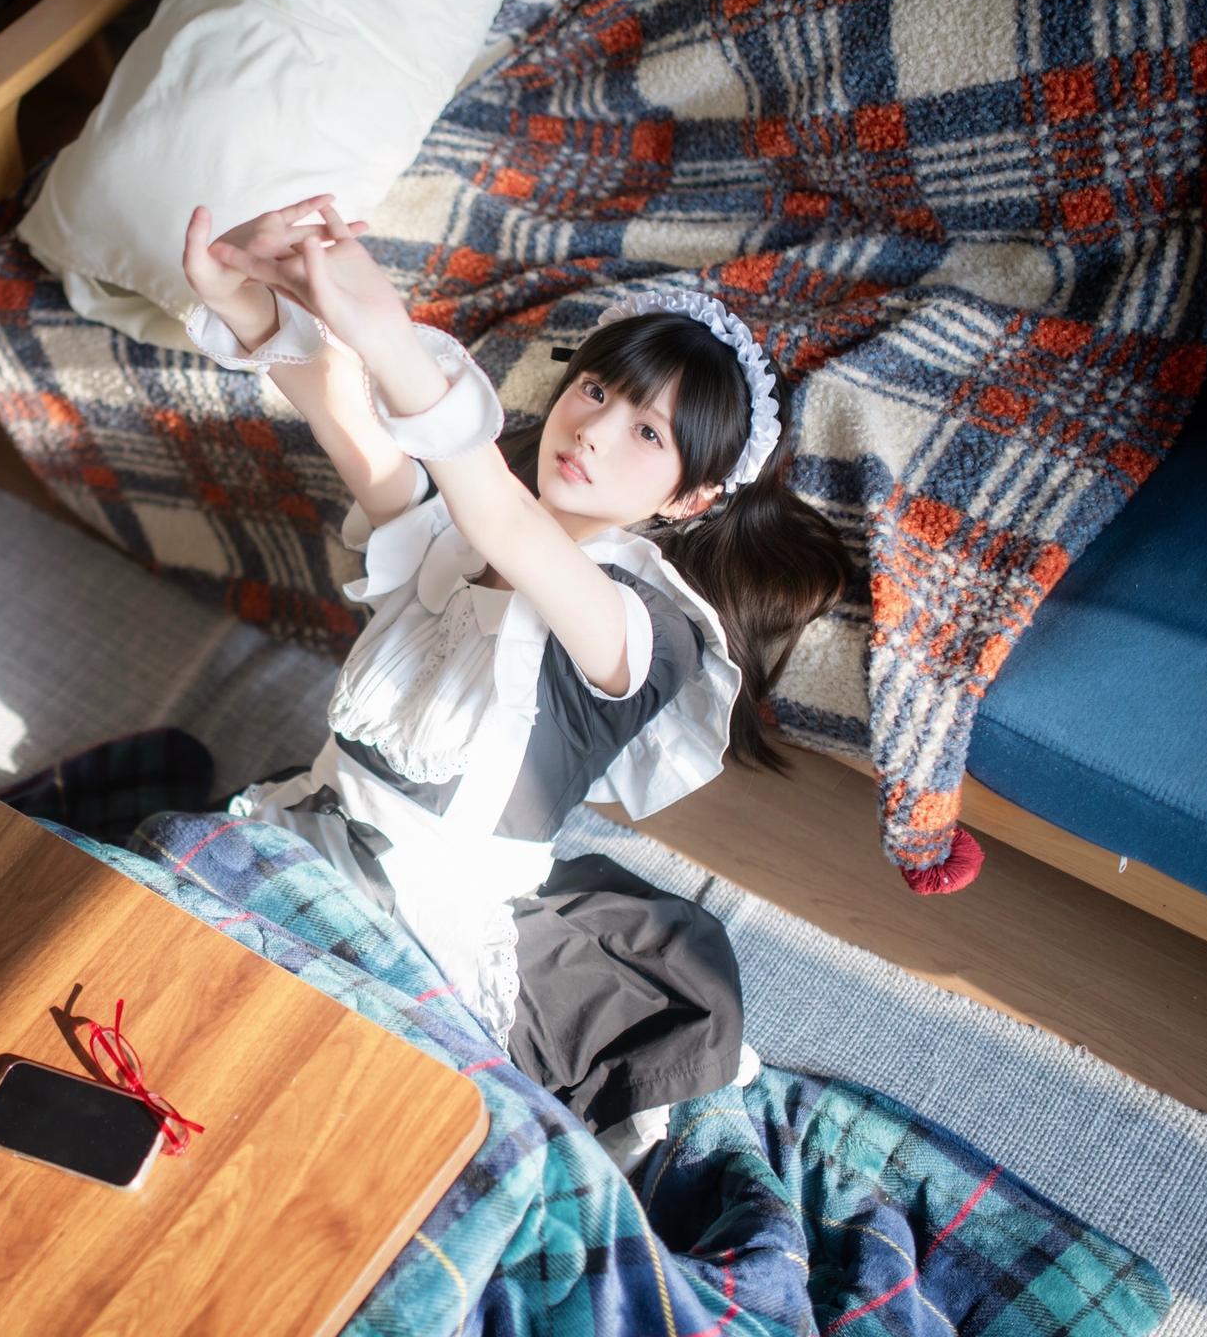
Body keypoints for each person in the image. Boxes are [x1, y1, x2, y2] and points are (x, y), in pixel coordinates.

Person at [178, 194, 851, 1051]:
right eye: (596, 390)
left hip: (415, 933)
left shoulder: (651, 631)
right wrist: (238, 292)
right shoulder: (452, 537)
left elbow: (507, 520)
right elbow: (348, 421)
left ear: (690, 500)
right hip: (293, 844)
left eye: (648, 433)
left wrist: (389, 335)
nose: (594, 430)